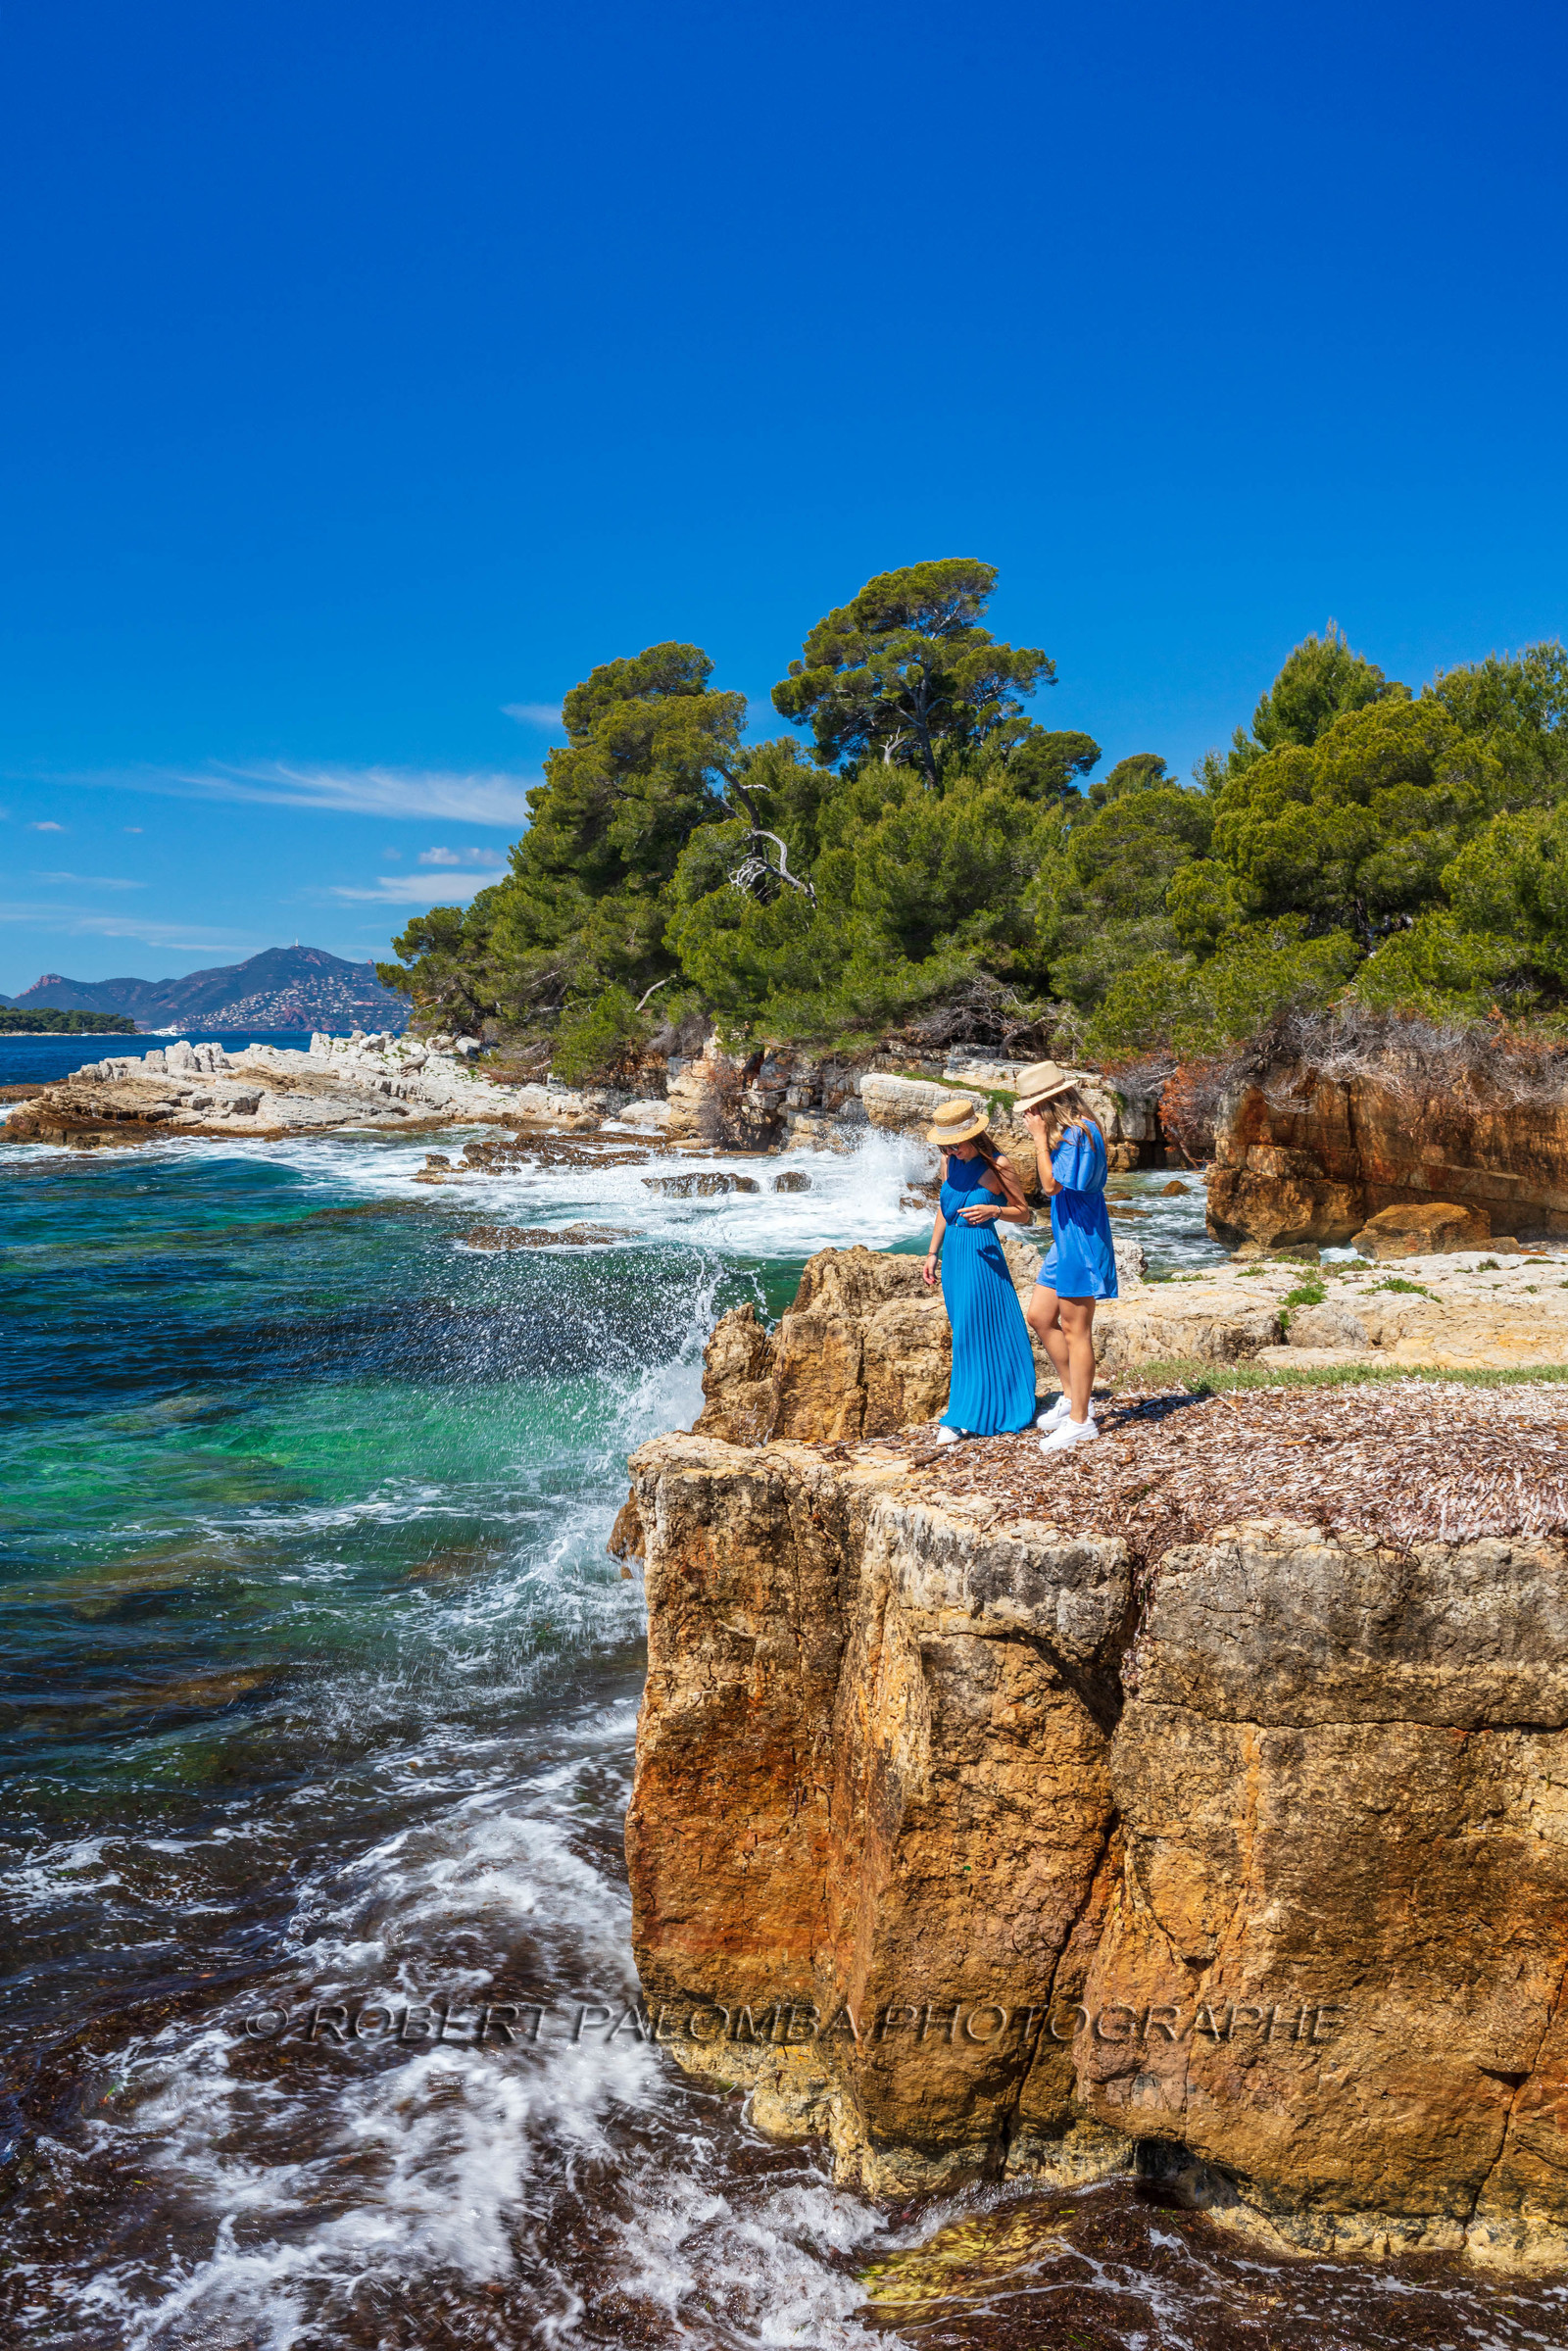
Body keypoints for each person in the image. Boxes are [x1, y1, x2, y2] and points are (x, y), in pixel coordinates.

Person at [920, 1095, 1037, 1445]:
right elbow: (944, 1209)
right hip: (955, 1255)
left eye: (956, 1146)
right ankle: (980, 1405)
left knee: (978, 1329)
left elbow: (1025, 1213)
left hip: (982, 1254)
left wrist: (995, 1212)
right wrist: (931, 1253)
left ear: (974, 1136)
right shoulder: (950, 1164)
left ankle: (964, 1416)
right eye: (947, 1147)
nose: (952, 1152)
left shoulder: (999, 1166)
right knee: (965, 1330)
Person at [1015, 1060, 1117, 1451]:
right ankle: (1071, 1396)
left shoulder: (1079, 1134)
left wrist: (1039, 1139)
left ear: (1049, 1104)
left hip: (1082, 1242)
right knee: (1040, 1316)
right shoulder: (1072, 1133)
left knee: (1077, 1331)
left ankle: (1081, 1420)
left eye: (1032, 1108)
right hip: (1066, 1240)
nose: (1028, 1115)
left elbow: (1051, 1186)